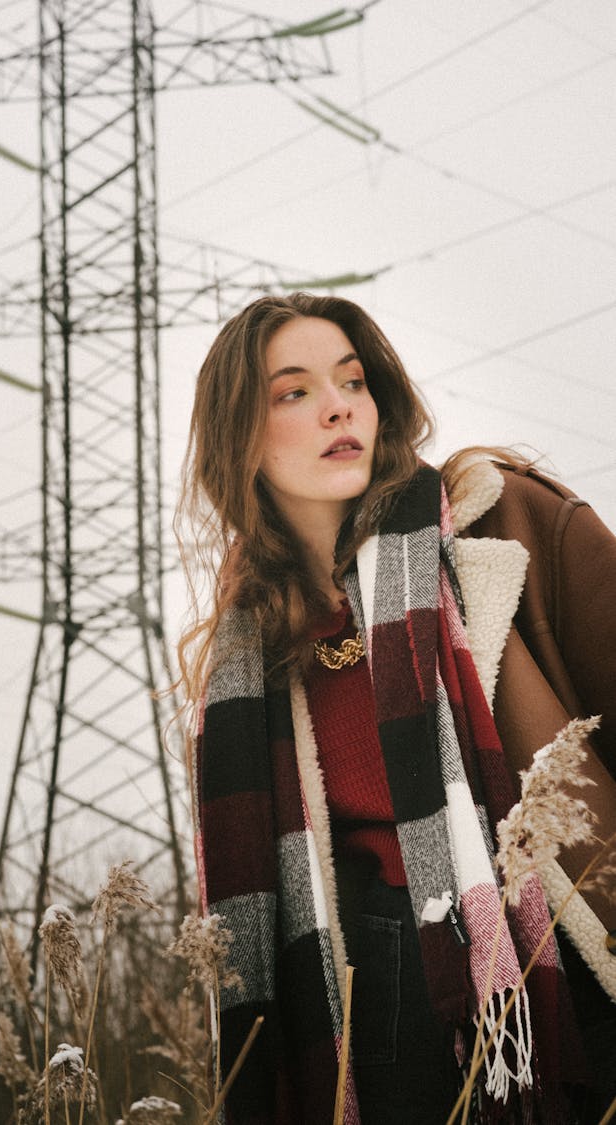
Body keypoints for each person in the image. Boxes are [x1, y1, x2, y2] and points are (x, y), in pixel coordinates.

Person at [176, 292, 616, 1124]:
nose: (339, 404)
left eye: (352, 380)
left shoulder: (498, 523)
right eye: (294, 391)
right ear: (241, 433)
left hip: (566, 973)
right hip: (377, 1028)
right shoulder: (252, 657)